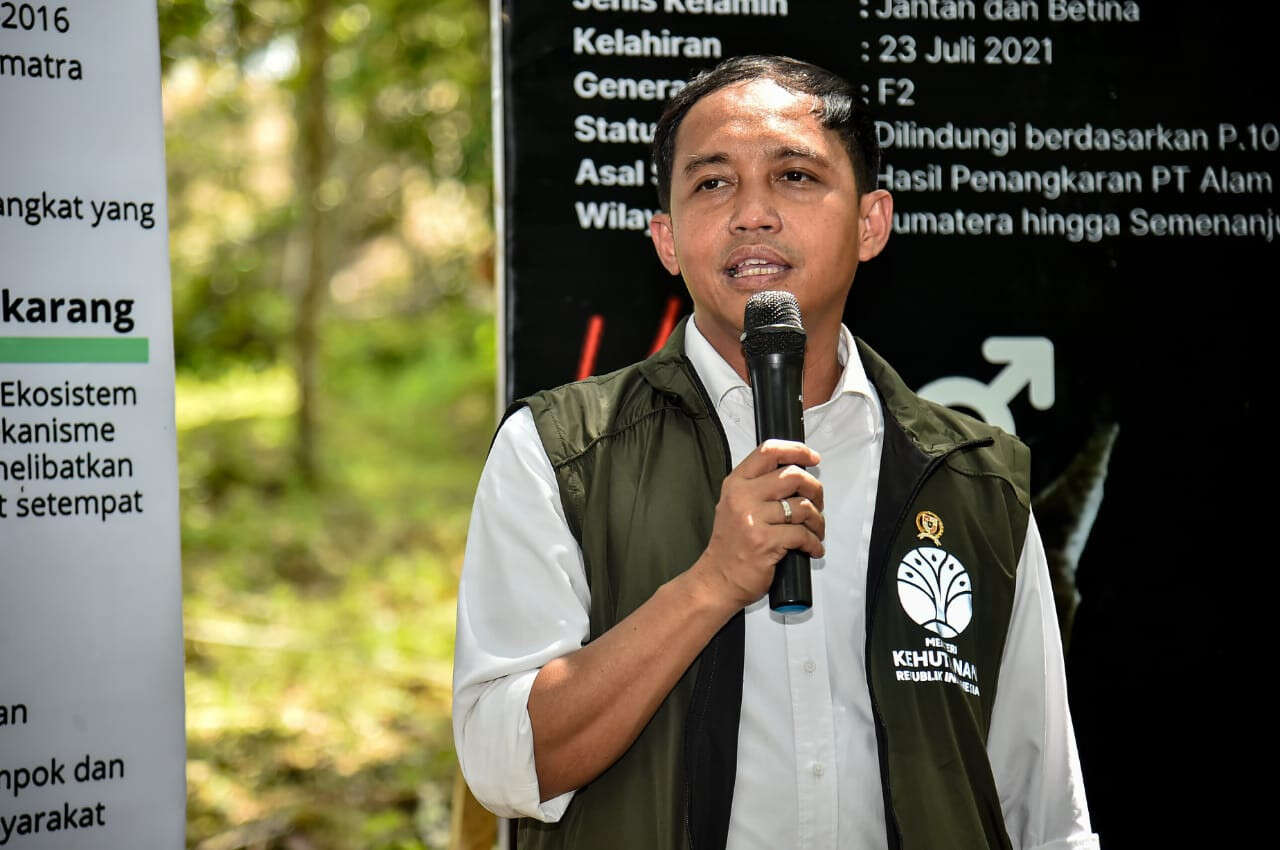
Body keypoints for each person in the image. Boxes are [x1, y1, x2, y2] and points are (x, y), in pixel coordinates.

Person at [452, 55, 1097, 850]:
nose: (752, 213)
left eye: (794, 175)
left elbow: (1042, 809)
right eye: (712, 184)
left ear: (871, 222)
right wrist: (711, 584)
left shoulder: (972, 477)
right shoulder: (558, 452)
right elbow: (501, 763)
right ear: (666, 238)